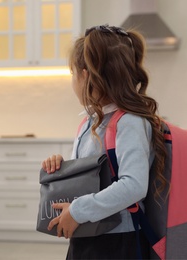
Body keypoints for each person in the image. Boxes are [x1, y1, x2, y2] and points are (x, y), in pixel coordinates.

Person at [41, 24, 168, 259]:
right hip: (88, 233)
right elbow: (91, 176)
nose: (73, 81)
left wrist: (77, 211)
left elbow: (133, 185)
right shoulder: (88, 122)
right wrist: (62, 166)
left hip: (118, 241)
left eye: (72, 74)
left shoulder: (129, 122)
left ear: (86, 75)